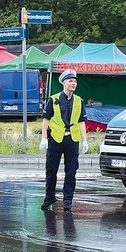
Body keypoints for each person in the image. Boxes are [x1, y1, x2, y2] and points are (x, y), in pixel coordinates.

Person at [39, 69, 88, 211]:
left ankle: (68, 199)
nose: (73, 84)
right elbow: (45, 120)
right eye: (71, 81)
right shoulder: (53, 99)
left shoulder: (79, 101)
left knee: (71, 171)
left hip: (72, 139)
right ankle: (50, 196)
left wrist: (84, 140)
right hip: (56, 138)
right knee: (51, 169)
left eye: (75, 81)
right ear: (64, 83)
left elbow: (81, 122)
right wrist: (44, 138)